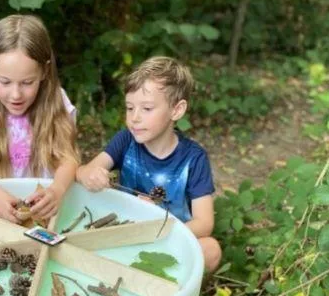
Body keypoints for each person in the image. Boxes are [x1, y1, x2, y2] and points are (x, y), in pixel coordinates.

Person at [76, 56, 222, 272]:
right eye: (129, 108)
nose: (134, 118)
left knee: (211, 250)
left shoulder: (193, 158)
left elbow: (204, 222)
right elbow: (82, 171)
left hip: (170, 238)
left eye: (146, 109)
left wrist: (160, 228)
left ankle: (159, 276)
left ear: (177, 110)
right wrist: (90, 175)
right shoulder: (126, 140)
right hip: (125, 232)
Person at [0, 14, 79, 223]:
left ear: (44, 71)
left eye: (27, 82)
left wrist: (56, 190)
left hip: (47, 217)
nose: (16, 94)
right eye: (5, 82)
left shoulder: (57, 101)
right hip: (0, 215)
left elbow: (68, 159)